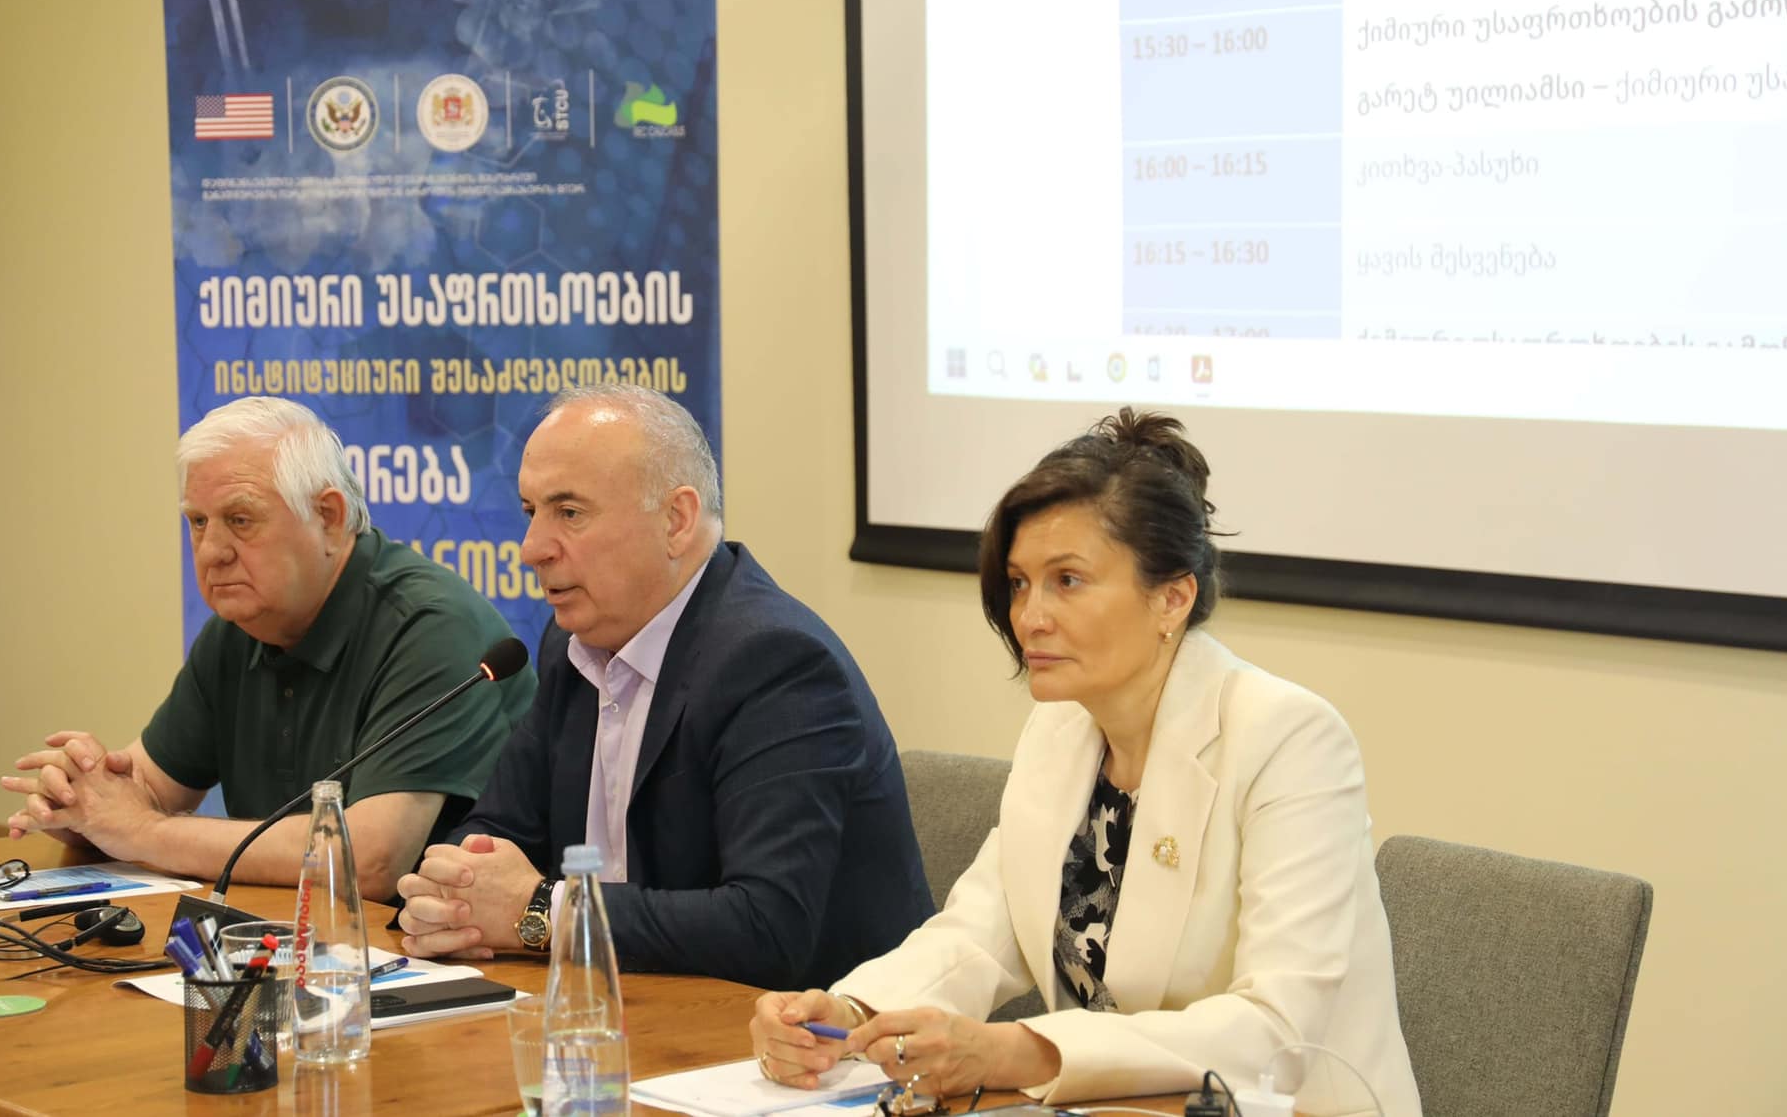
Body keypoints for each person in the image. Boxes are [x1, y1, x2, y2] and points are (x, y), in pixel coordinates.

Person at [749, 409, 1421, 1117]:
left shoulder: (1290, 739)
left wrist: (1020, 1050)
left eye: (1067, 580)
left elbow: (1275, 1031)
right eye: (1018, 583)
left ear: (1172, 598)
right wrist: (851, 1013)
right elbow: (981, 931)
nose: (1030, 616)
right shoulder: (1060, 728)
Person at [394, 383, 932, 989]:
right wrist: (454, 893)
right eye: (530, 512)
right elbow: (498, 829)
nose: (532, 549)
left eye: (569, 513)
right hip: (625, 1007)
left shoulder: (777, 664)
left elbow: (767, 927)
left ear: (676, 520)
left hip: (811, 1030)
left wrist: (542, 911)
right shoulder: (573, 644)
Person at [0, 396, 536, 901]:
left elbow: (370, 860)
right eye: (198, 522)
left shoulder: (431, 627)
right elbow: (145, 791)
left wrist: (139, 830)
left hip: (443, 948)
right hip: (283, 938)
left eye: (240, 520)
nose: (212, 551)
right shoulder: (242, 626)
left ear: (328, 518)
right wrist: (79, 800)